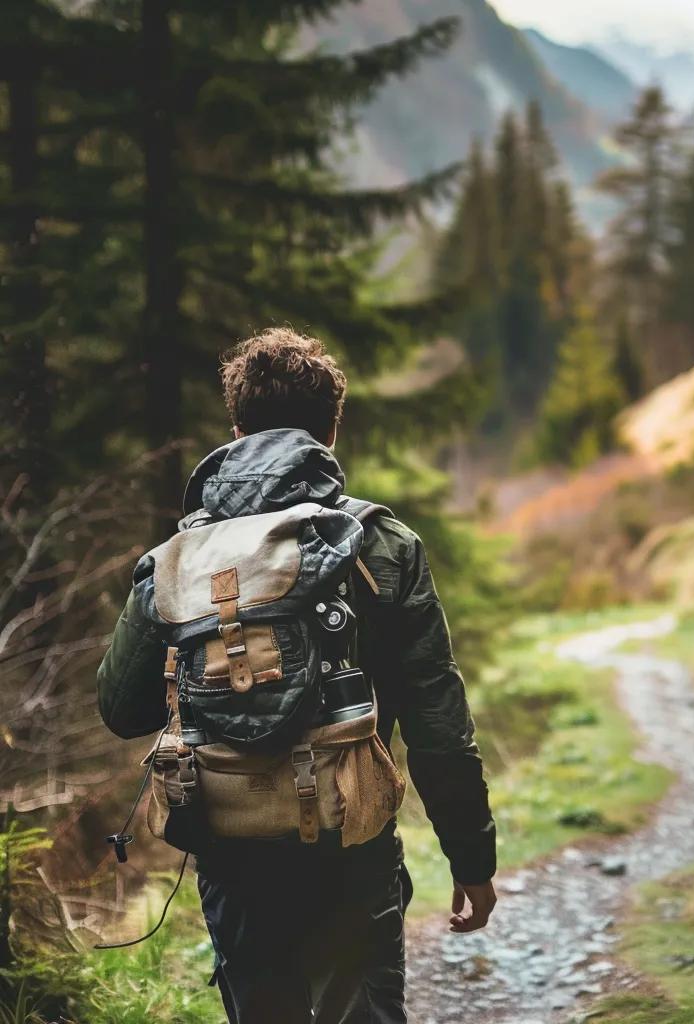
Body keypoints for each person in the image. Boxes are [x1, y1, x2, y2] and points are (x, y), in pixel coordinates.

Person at [96, 327, 497, 1023]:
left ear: (238, 427)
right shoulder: (379, 544)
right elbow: (437, 722)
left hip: (231, 847)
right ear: (329, 433)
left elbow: (120, 709)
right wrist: (472, 858)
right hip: (351, 845)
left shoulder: (179, 559)